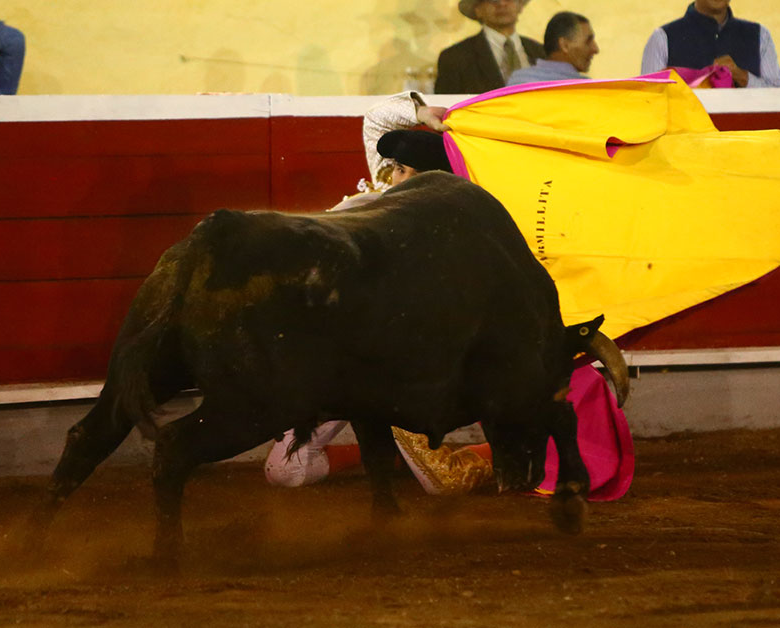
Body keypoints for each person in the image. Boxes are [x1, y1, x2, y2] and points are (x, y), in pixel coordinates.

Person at [265, 90, 633, 500]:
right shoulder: (381, 196)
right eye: (395, 169)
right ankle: (362, 454)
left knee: (445, 481)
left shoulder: (451, 233)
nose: (392, 178)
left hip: (404, 366)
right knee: (286, 470)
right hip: (344, 356)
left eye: (404, 171)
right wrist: (421, 112)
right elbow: (376, 122)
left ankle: (493, 448)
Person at [640, 1, 780, 88]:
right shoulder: (662, 38)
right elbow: (649, 101)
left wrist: (742, 77)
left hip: (747, 137)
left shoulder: (760, 36)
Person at [434, 0, 544, 95]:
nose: (502, 3)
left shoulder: (542, 52)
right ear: (478, 9)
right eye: (492, 0)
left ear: (520, 5)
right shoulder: (455, 57)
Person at [507, 11, 598, 85]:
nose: (595, 49)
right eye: (588, 41)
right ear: (564, 45)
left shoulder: (517, 81)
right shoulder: (584, 90)